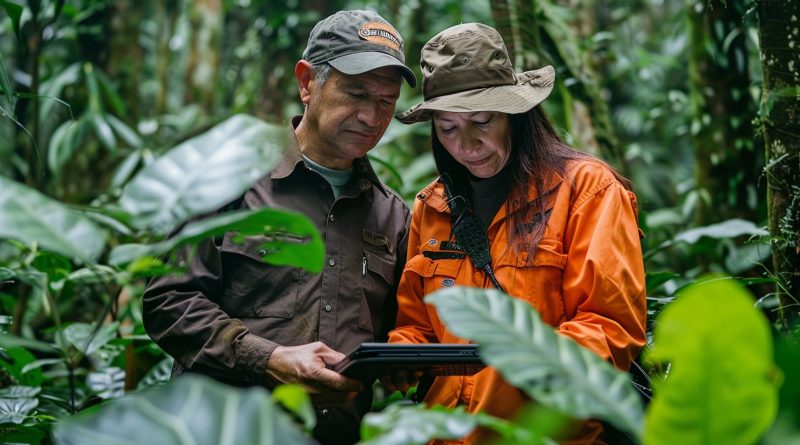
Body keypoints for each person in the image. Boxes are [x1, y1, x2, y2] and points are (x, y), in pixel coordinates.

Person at [142, 10, 416, 445]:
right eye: (356, 93)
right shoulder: (228, 181)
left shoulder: (393, 215)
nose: (371, 116)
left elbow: (396, 331)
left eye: (386, 101)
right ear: (307, 83)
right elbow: (167, 300)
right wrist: (269, 358)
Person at [382, 23, 647, 444]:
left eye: (482, 121)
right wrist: (402, 353)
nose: (467, 145)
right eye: (448, 129)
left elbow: (609, 326)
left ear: (515, 113)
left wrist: (523, 360)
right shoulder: (431, 207)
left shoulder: (587, 191)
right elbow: (418, 325)